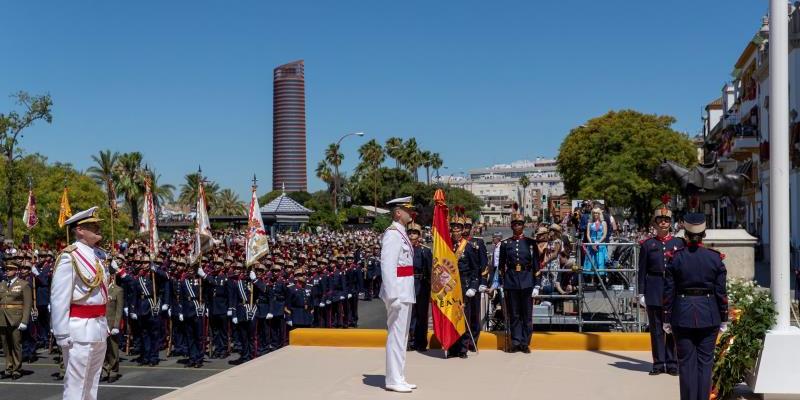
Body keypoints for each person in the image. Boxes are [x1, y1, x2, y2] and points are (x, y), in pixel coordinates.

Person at [663, 213, 728, 400]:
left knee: (685, 364)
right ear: (704, 234)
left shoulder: (675, 258)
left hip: (682, 315)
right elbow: (721, 293)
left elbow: (668, 292)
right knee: (705, 363)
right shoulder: (715, 258)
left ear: (685, 234)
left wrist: (666, 317)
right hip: (709, 315)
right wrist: (724, 317)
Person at [51, 206, 112, 400]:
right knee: (75, 385)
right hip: (78, 328)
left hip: (98, 326)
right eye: (92, 226)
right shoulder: (70, 256)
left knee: (92, 383)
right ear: (79, 229)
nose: (97, 228)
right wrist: (61, 332)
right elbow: (59, 297)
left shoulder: (100, 256)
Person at [638, 206, 683, 376]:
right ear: (655, 223)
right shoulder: (648, 245)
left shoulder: (678, 243)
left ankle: (672, 363)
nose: (664, 223)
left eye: (667, 220)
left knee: (671, 327)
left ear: (670, 224)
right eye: (660, 220)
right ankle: (658, 363)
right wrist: (641, 293)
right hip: (654, 288)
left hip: (672, 289)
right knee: (656, 328)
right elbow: (642, 270)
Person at [484, 210, 537, 353]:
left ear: (523, 226)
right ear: (511, 226)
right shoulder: (505, 244)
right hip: (511, 281)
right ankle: (515, 341)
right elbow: (501, 265)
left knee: (526, 314)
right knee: (514, 313)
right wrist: (501, 282)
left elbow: (536, 265)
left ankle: (525, 343)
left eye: (520, 224)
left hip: (527, 280)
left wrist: (536, 284)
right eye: (515, 224)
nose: (517, 226)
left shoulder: (531, 243)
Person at [380, 196, 417, 393]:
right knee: (396, 335)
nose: (411, 213)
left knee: (402, 336)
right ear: (398, 213)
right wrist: (392, 295)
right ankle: (393, 379)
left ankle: (399, 376)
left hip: (405, 290)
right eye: (407, 210)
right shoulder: (393, 234)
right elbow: (387, 267)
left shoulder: (401, 233)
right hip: (398, 293)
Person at [0, 259, 32, 380]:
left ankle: (17, 369)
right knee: (5, 345)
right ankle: (8, 368)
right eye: (6, 269)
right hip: (2, 318)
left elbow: (28, 304)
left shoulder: (23, 284)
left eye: (10, 269)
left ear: (16, 270)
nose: (7, 271)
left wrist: (25, 321)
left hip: (16, 319)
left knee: (16, 344)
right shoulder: (2, 284)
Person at [406, 222, 432, 352]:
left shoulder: (425, 250)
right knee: (409, 315)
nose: (412, 235)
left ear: (419, 235)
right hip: (407, 284)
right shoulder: (403, 249)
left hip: (421, 284)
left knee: (422, 315)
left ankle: (421, 342)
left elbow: (430, 271)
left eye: (414, 233)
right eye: (410, 232)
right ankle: (409, 342)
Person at [102, 266, 124, 383]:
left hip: (111, 324)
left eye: (107, 275)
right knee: (102, 349)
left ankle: (114, 371)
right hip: (101, 324)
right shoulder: (99, 290)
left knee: (113, 349)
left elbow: (119, 310)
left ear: (111, 276)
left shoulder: (117, 290)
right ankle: (105, 369)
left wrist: (116, 325)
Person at [585, 207, 608, 281]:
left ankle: (600, 280)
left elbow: (604, 235)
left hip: (600, 244)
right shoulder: (589, 223)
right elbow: (588, 234)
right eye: (594, 213)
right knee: (592, 262)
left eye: (597, 213)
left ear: (600, 214)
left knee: (600, 261)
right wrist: (591, 244)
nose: (595, 214)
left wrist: (597, 243)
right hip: (591, 244)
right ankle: (592, 280)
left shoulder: (603, 223)